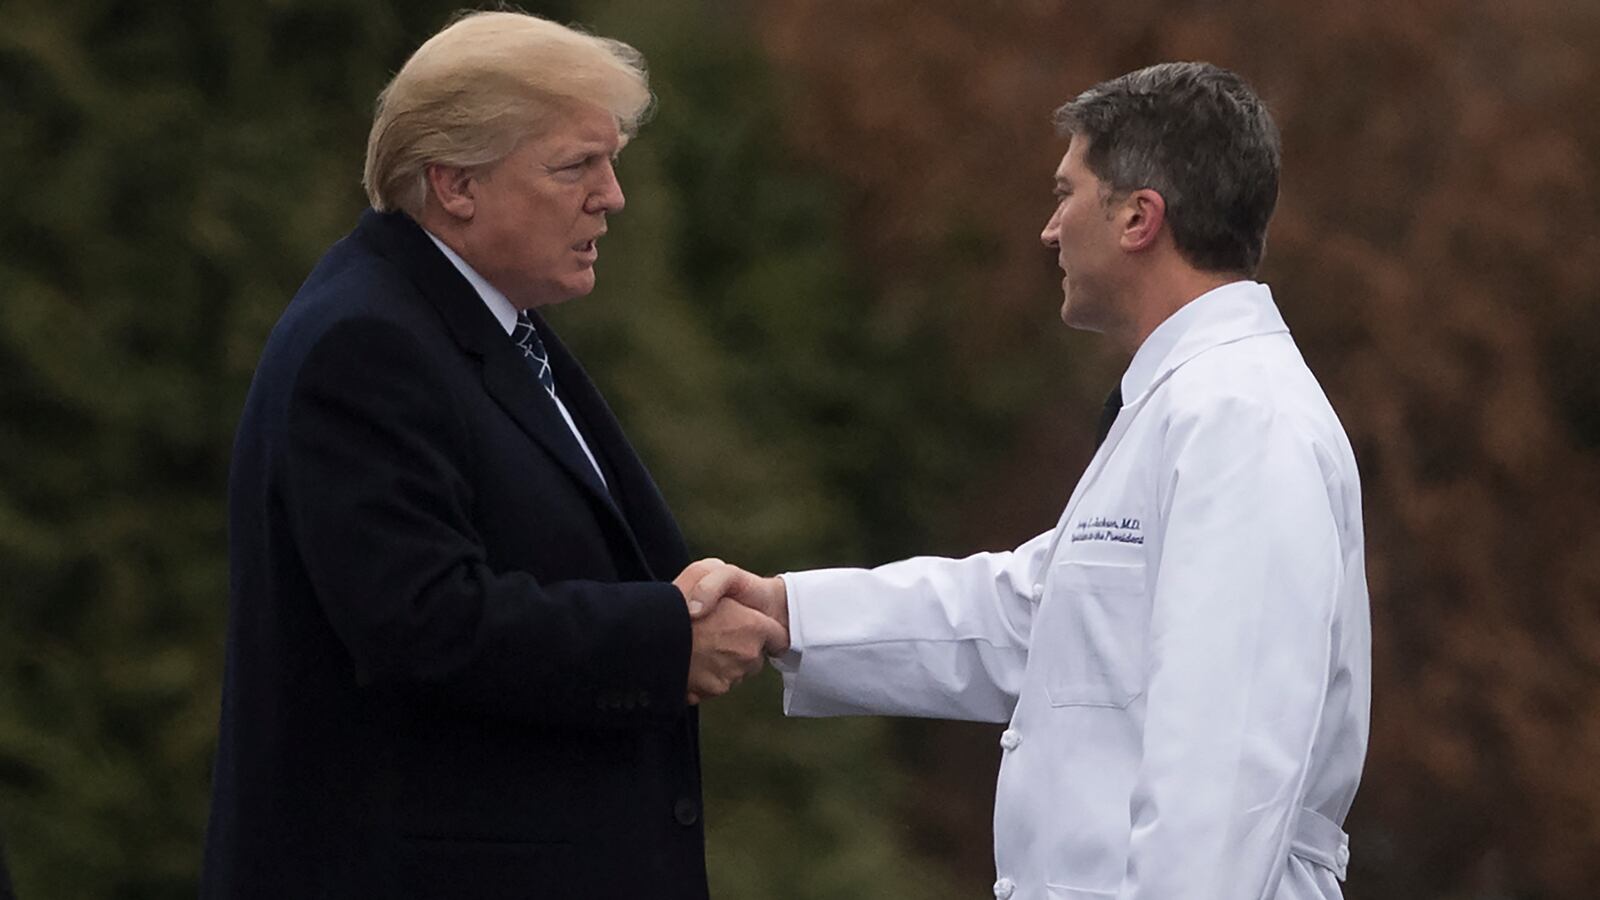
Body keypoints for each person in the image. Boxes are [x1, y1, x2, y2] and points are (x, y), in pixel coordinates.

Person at [690, 62, 1371, 900]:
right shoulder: (1187, 407)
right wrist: (789, 613)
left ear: (1137, 217)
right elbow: (1036, 619)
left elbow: (1223, 773)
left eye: (1067, 193)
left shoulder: (1241, 419)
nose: (1050, 229)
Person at [201, 11, 782, 899]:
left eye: (611, 160)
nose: (613, 195)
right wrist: (662, 640)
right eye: (574, 166)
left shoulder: (479, 323)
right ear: (454, 183)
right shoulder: (366, 344)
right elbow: (420, 623)